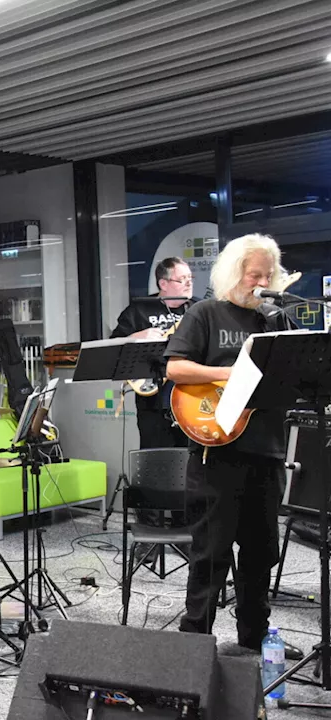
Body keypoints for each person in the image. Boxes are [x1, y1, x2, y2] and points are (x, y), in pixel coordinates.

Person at [164, 234, 296, 656]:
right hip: (216, 454)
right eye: (252, 273)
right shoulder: (205, 313)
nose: (258, 281)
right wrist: (229, 375)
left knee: (261, 556)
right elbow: (176, 368)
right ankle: (194, 647)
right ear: (233, 272)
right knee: (210, 556)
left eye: (266, 275)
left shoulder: (276, 321)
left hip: (266, 451)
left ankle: (253, 642)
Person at [111, 256, 195, 449]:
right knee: (156, 456)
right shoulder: (139, 310)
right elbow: (114, 345)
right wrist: (137, 336)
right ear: (163, 283)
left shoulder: (197, 310)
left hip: (189, 397)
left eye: (190, 277)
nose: (189, 282)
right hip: (152, 399)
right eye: (182, 279)